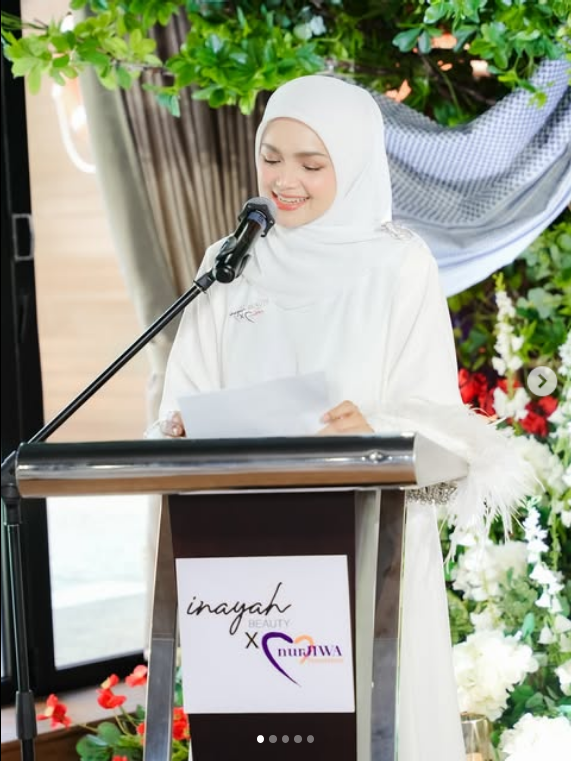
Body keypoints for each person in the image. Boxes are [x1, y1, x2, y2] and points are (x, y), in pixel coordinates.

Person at [154, 75, 530, 759]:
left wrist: (372, 422)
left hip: (366, 546)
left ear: (354, 164)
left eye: (311, 164)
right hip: (245, 556)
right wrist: (182, 424)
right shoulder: (229, 261)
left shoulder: (397, 264)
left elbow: (440, 423)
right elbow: (182, 397)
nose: (284, 180)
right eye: (271, 157)